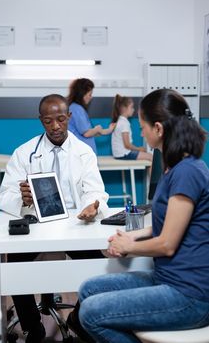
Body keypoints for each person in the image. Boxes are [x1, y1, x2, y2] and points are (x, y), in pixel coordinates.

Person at [76, 89, 209, 343]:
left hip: (190, 295)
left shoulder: (187, 171)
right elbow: (169, 224)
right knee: (88, 289)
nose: (140, 133)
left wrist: (130, 247)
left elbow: (168, 244)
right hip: (168, 279)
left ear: (158, 128)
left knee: (91, 313)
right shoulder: (175, 168)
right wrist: (132, 236)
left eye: (142, 126)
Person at [0, 94, 109, 343]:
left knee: (100, 270)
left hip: (75, 227)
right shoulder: (24, 153)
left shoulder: (83, 153)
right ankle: (32, 327)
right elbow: (4, 196)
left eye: (61, 119)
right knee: (14, 266)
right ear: (41, 121)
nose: (56, 126)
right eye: (48, 121)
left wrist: (93, 205)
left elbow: (95, 191)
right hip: (38, 227)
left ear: (69, 117)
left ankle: (77, 319)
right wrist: (22, 200)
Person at [67, 78, 116, 154]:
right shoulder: (77, 109)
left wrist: (108, 130)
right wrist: (97, 129)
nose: (91, 97)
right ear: (82, 94)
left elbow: (91, 132)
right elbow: (87, 133)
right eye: (90, 94)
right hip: (81, 154)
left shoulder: (75, 108)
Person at [111, 94, 152, 161]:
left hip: (118, 154)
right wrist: (139, 149)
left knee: (148, 156)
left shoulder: (119, 120)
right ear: (124, 108)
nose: (133, 110)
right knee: (151, 157)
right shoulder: (124, 123)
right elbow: (127, 145)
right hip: (123, 154)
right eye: (131, 107)